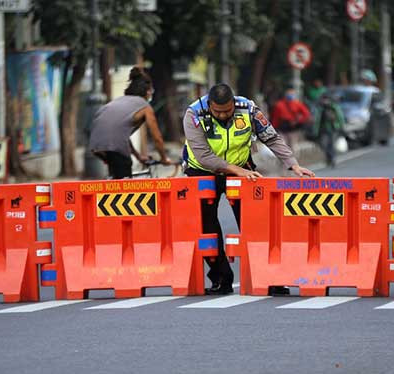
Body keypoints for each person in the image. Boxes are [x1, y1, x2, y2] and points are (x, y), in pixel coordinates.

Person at [182, 83, 315, 295]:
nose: (224, 115)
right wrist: (235, 170)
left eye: (228, 110)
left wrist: (292, 163)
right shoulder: (194, 114)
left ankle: (271, 279)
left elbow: (270, 137)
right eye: (218, 111)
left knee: (255, 225)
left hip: (242, 168)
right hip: (203, 172)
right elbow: (203, 156)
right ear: (210, 105)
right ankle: (221, 280)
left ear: (234, 103)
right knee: (207, 228)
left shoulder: (248, 109)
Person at [89, 67, 172, 179]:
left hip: (96, 144)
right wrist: (163, 158)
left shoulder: (119, 101)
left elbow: (120, 134)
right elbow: (157, 137)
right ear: (148, 92)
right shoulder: (145, 106)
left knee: (116, 175)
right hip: (114, 145)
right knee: (125, 181)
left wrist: (138, 156)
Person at [311, 92, 345, 167]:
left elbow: (340, 117)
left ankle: (332, 159)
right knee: (323, 144)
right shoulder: (320, 109)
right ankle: (328, 157)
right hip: (323, 129)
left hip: (333, 129)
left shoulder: (334, 107)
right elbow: (317, 121)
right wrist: (315, 131)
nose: (325, 101)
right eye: (324, 99)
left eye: (326, 99)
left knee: (331, 144)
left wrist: (341, 127)